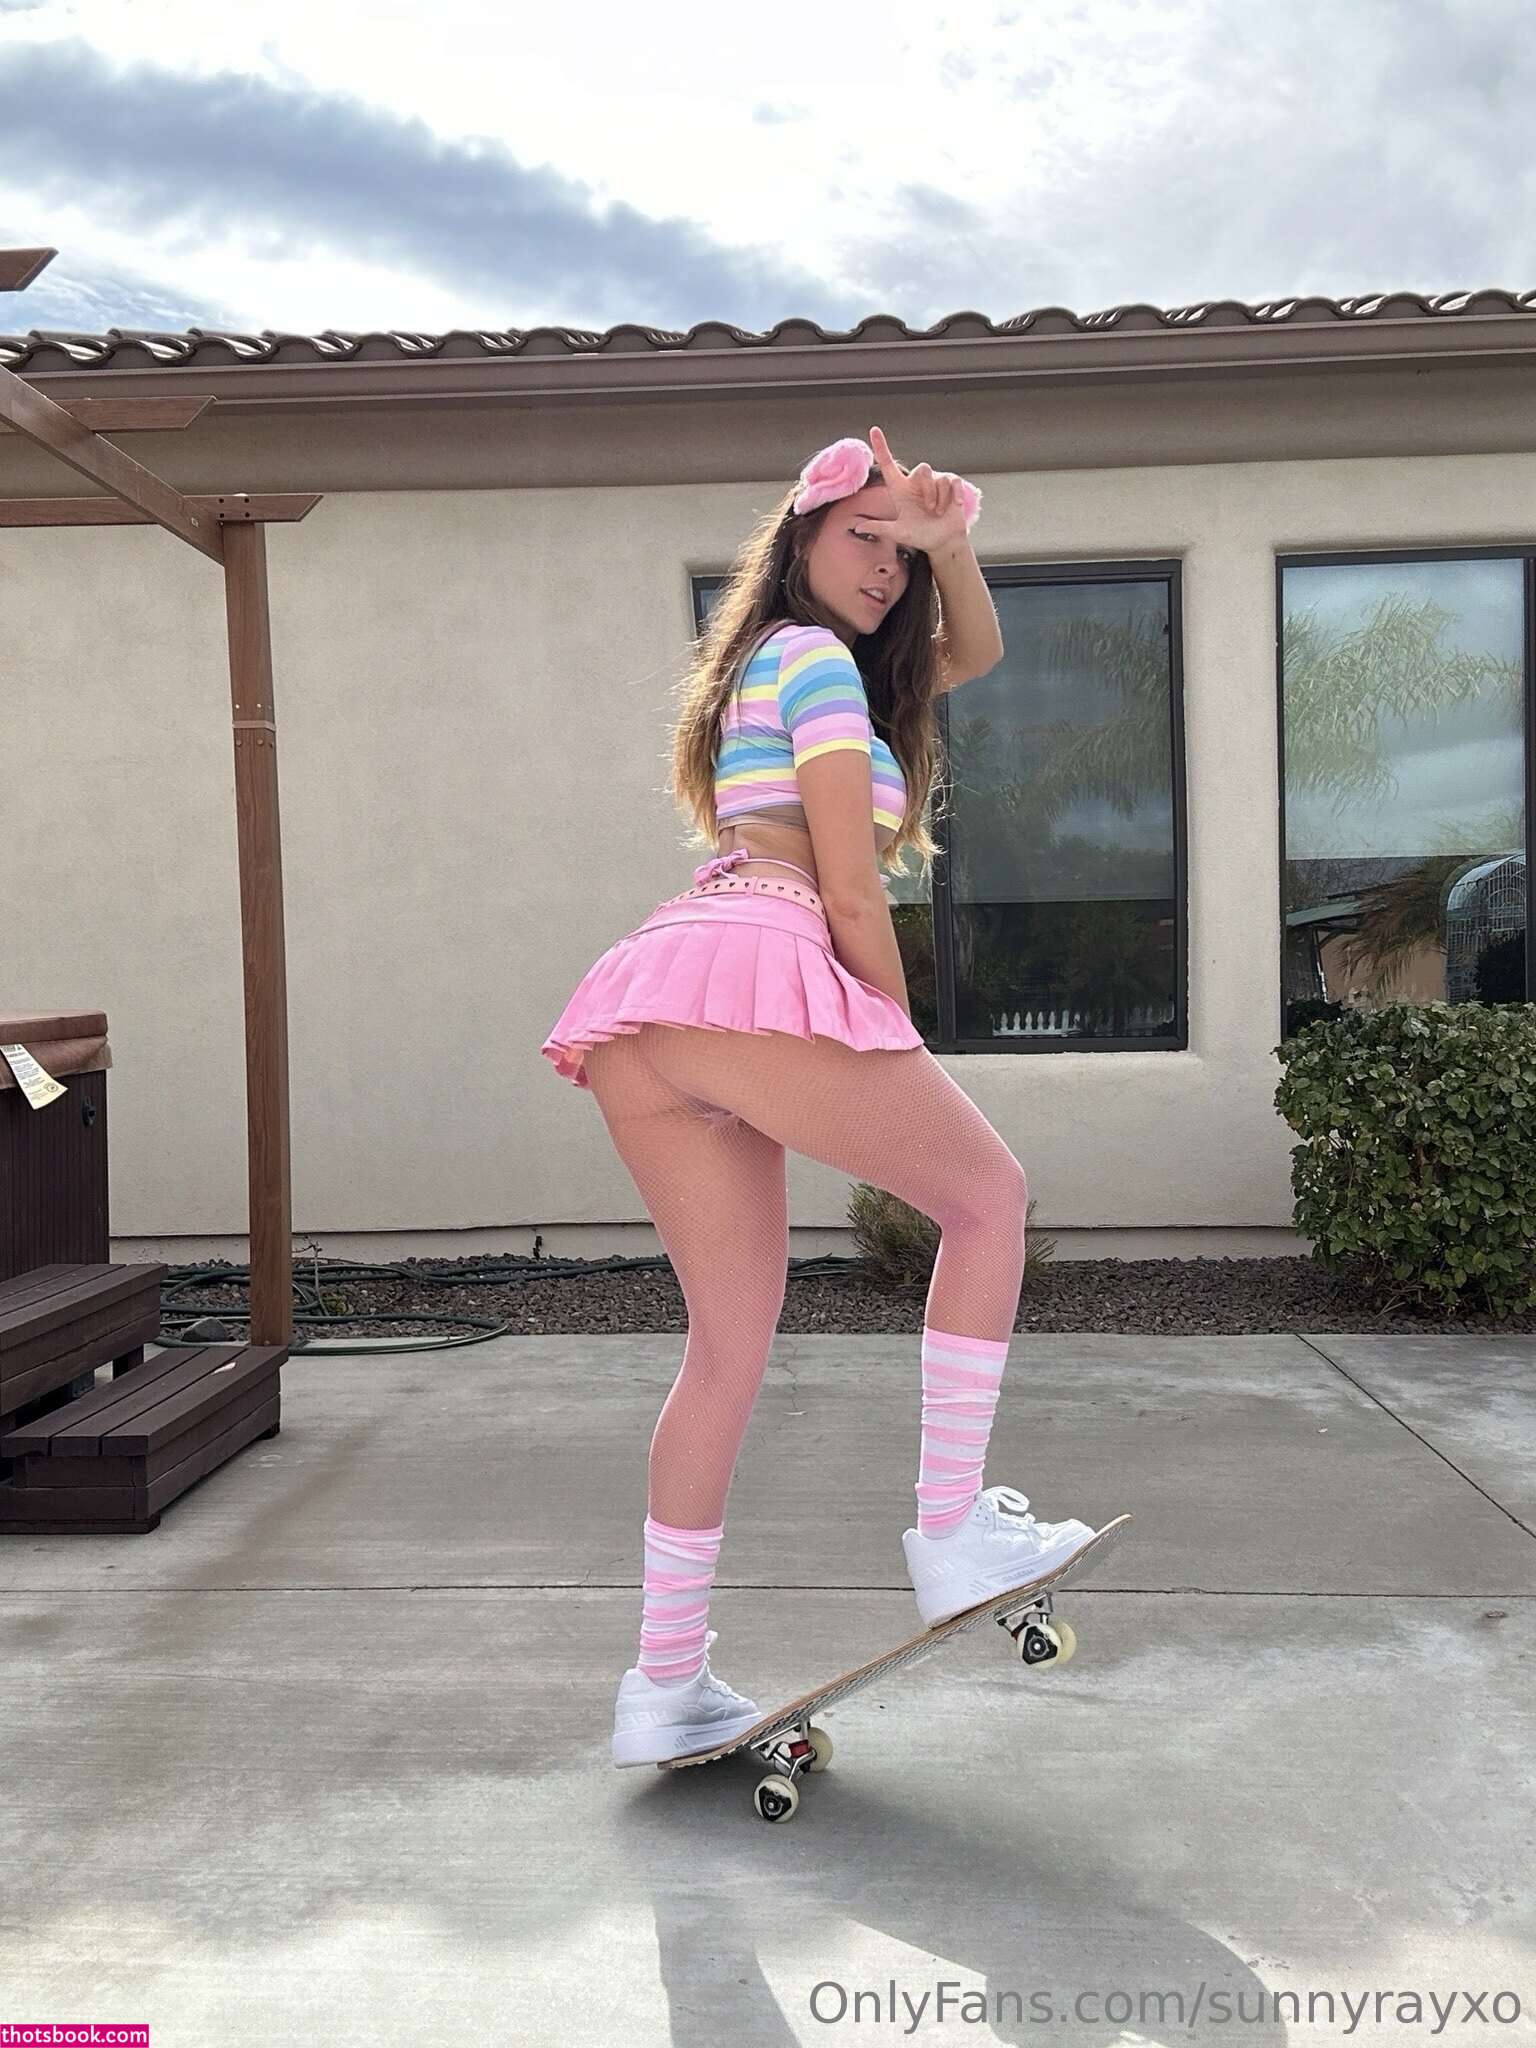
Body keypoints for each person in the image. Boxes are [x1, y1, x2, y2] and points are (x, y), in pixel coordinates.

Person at [540, 426, 1097, 1770]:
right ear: (799, 535)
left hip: (654, 1010)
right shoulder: (814, 661)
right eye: (864, 537)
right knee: (989, 1198)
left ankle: (666, 1682)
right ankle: (952, 1528)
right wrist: (891, 1035)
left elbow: (973, 652)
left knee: (724, 1352)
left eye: (901, 559)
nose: (887, 570)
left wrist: (945, 543)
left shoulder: (775, 664)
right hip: (758, 970)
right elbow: (850, 890)